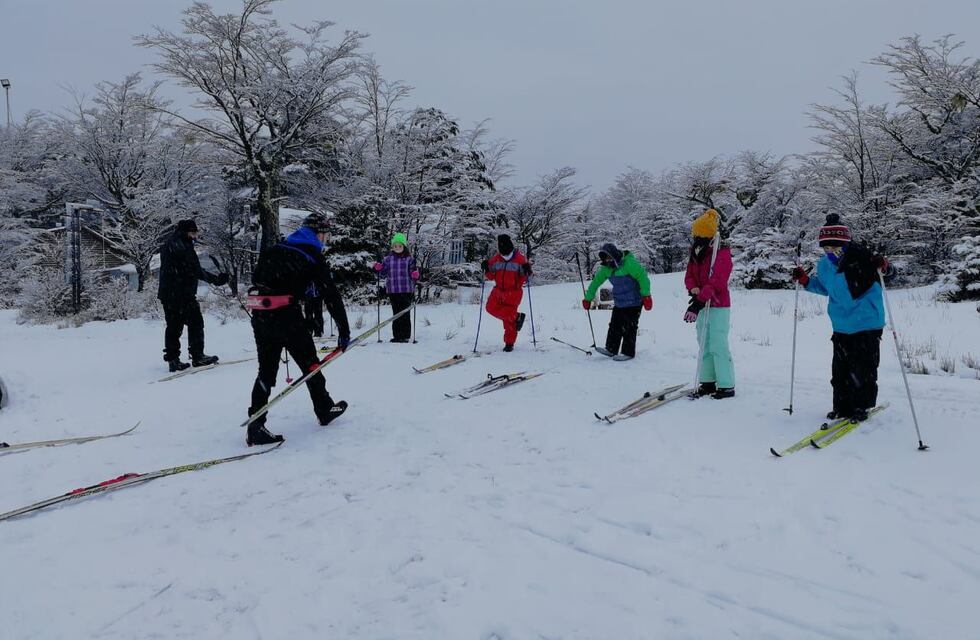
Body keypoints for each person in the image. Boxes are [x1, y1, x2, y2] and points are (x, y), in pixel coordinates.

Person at [245, 213, 352, 446]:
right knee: (310, 364)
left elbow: (258, 277)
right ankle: (324, 408)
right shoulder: (312, 255)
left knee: (266, 371)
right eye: (326, 236)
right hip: (288, 318)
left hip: (262, 315)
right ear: (318, 234)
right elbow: (331, 294)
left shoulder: (276, 248)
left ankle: (256, 424)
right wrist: (344, 330)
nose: (326, 241)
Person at [791, 213, 891, 421]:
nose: (830, 252)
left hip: (867, 322)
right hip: (841, 324)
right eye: (825, 247)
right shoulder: (825, 265)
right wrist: (806, 281)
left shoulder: (863, 258)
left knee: (863, 369)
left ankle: (860, 406)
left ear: (845, 244)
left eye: (834, 247)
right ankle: (842, 405)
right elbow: (825, 287)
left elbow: (889, 273)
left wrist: (885, 266)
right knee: (840, 370)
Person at [157, 219, 228, 372]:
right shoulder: (181, 246)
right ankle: (197, 356)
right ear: (185, 232)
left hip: (169, 293)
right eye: (193, 232)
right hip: (181, 294)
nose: (195, 236)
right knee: (195, 323)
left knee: (174, 326)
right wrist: (216, 279)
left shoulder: (171, 243)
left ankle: (173, 360)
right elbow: (194, 270)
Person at [684, 209, 736, 399]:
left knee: (718, 344)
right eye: (695, 235)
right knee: (703, 342)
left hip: (718, 305)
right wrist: (693, 289)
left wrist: (699, 300)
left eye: (701, 235)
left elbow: (717, 282)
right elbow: (689, 275)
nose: (697, 238)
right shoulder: (696, 253)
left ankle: (726, 384)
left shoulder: (721, 253)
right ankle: (707, 381)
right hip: (700, 302)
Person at [582, 243, 653, 361]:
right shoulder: (606, 269)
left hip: (635, 301)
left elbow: (643, 277)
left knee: (629, 326)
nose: (607, 261)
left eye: (609, 257)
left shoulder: (629, 263)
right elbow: (595, 283)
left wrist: (646, 295)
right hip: (620, 301)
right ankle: (611, 348)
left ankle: (628, 352)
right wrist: (588, 298)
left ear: (614, 255)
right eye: (605, 258)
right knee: (615, 325)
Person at [481, 234, 530, 352]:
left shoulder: (520, 259)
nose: (503, 253)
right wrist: (486, 268)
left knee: (508, 321)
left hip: (513, 293)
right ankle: (515, 316)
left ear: (510, 246)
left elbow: (525, 279)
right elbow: (491, 276)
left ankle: (509, 343)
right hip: (498, 291)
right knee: (490, 308)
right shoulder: (496, 259)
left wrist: (526, 271)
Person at [373, 232, 420, 343]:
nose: (397, 248)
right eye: (395, 246)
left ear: (404, 246)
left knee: (405, 313)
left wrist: (415, 274)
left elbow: (414, 271)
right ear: (392, 247)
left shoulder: (409, 259)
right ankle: (397, 336)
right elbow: (383, 273)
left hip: (406, 289)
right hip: (393, 290)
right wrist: (379, 268)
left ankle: (405, 335)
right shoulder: (388, 259)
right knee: (396, 313)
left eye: (399, 246)